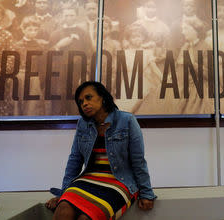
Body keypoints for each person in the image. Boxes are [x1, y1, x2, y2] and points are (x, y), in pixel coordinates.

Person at [45, 81, 156, 220]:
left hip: (119, 181)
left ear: (102, 97)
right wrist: (63, 192)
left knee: (86, 218)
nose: (84, 103)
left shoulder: (127, 120)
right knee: (63, 209)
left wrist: (146, 193)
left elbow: (138, 161)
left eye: (88, 97)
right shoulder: (82, 124)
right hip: (88, 178)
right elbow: (75, 160)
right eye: (80, 101)